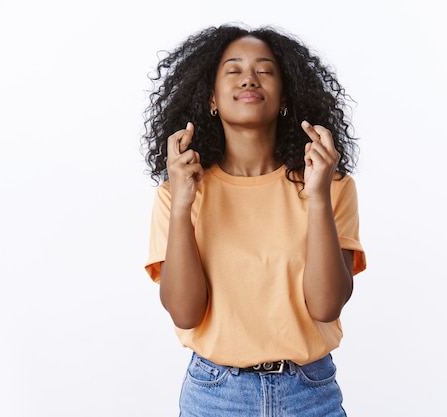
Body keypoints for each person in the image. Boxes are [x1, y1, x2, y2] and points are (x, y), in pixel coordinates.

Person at [142, 23, 366, 417]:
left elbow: (327, 305)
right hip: (214, 396)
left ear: (284, 97)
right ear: (211, 97)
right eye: (233, 69)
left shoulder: (330, 186)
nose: (249, 77)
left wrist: (316, 199)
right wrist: (181, 206)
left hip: (309, 395)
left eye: (265, 70)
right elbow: (184, 313)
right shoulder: (178, 193)